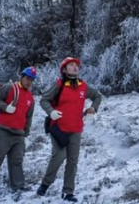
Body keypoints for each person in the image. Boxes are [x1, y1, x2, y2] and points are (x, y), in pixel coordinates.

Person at [36, 57, 101, 202]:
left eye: (76, 65)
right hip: (58, 128)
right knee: (59, 156)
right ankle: (46, 183)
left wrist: (93, 108)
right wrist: (51, 111)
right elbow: (43, 100)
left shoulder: (83, 86)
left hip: (76, 129)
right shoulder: (59, 84)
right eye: (71, 65)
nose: (75, 67)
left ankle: (68, 192)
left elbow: (97, 96)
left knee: (72, 161)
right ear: (64, 69)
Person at [0, 66, 37, 192]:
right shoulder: (10, 87)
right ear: (22, 77)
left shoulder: (31, 98)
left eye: (31, 80)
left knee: (17, 161)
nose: (29, 82)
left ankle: (18, 187)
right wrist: (5, 107)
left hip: (19, 134)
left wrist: (26, 131)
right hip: (3, 130)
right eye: (27, 78)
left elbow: (28, 116)